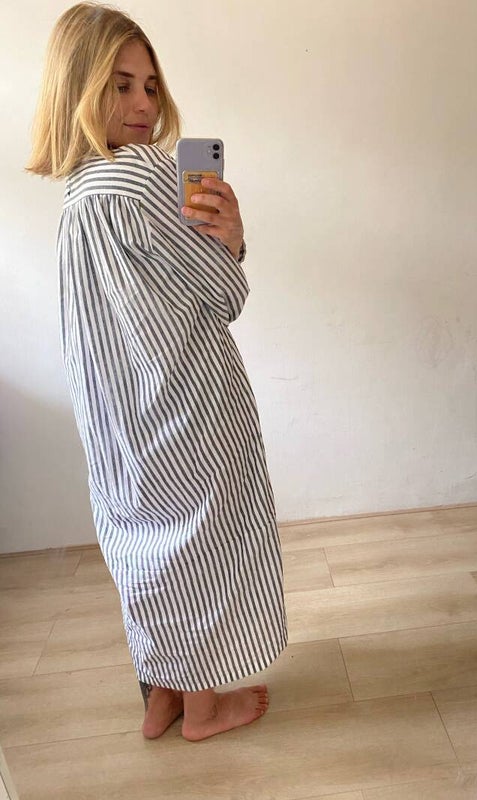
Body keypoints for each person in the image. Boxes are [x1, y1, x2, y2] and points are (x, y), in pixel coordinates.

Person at [26, 2, 287, 742]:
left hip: (118, 424)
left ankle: (161, 698)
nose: (143, 104)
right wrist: (234, 240)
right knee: (201, 549)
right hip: (187, 410)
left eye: (149, 85)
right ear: (79, 89)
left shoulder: (81, 194)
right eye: (120, 86)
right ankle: (205, 709)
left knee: (144, 548)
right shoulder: (143, 176)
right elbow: (224, 294)